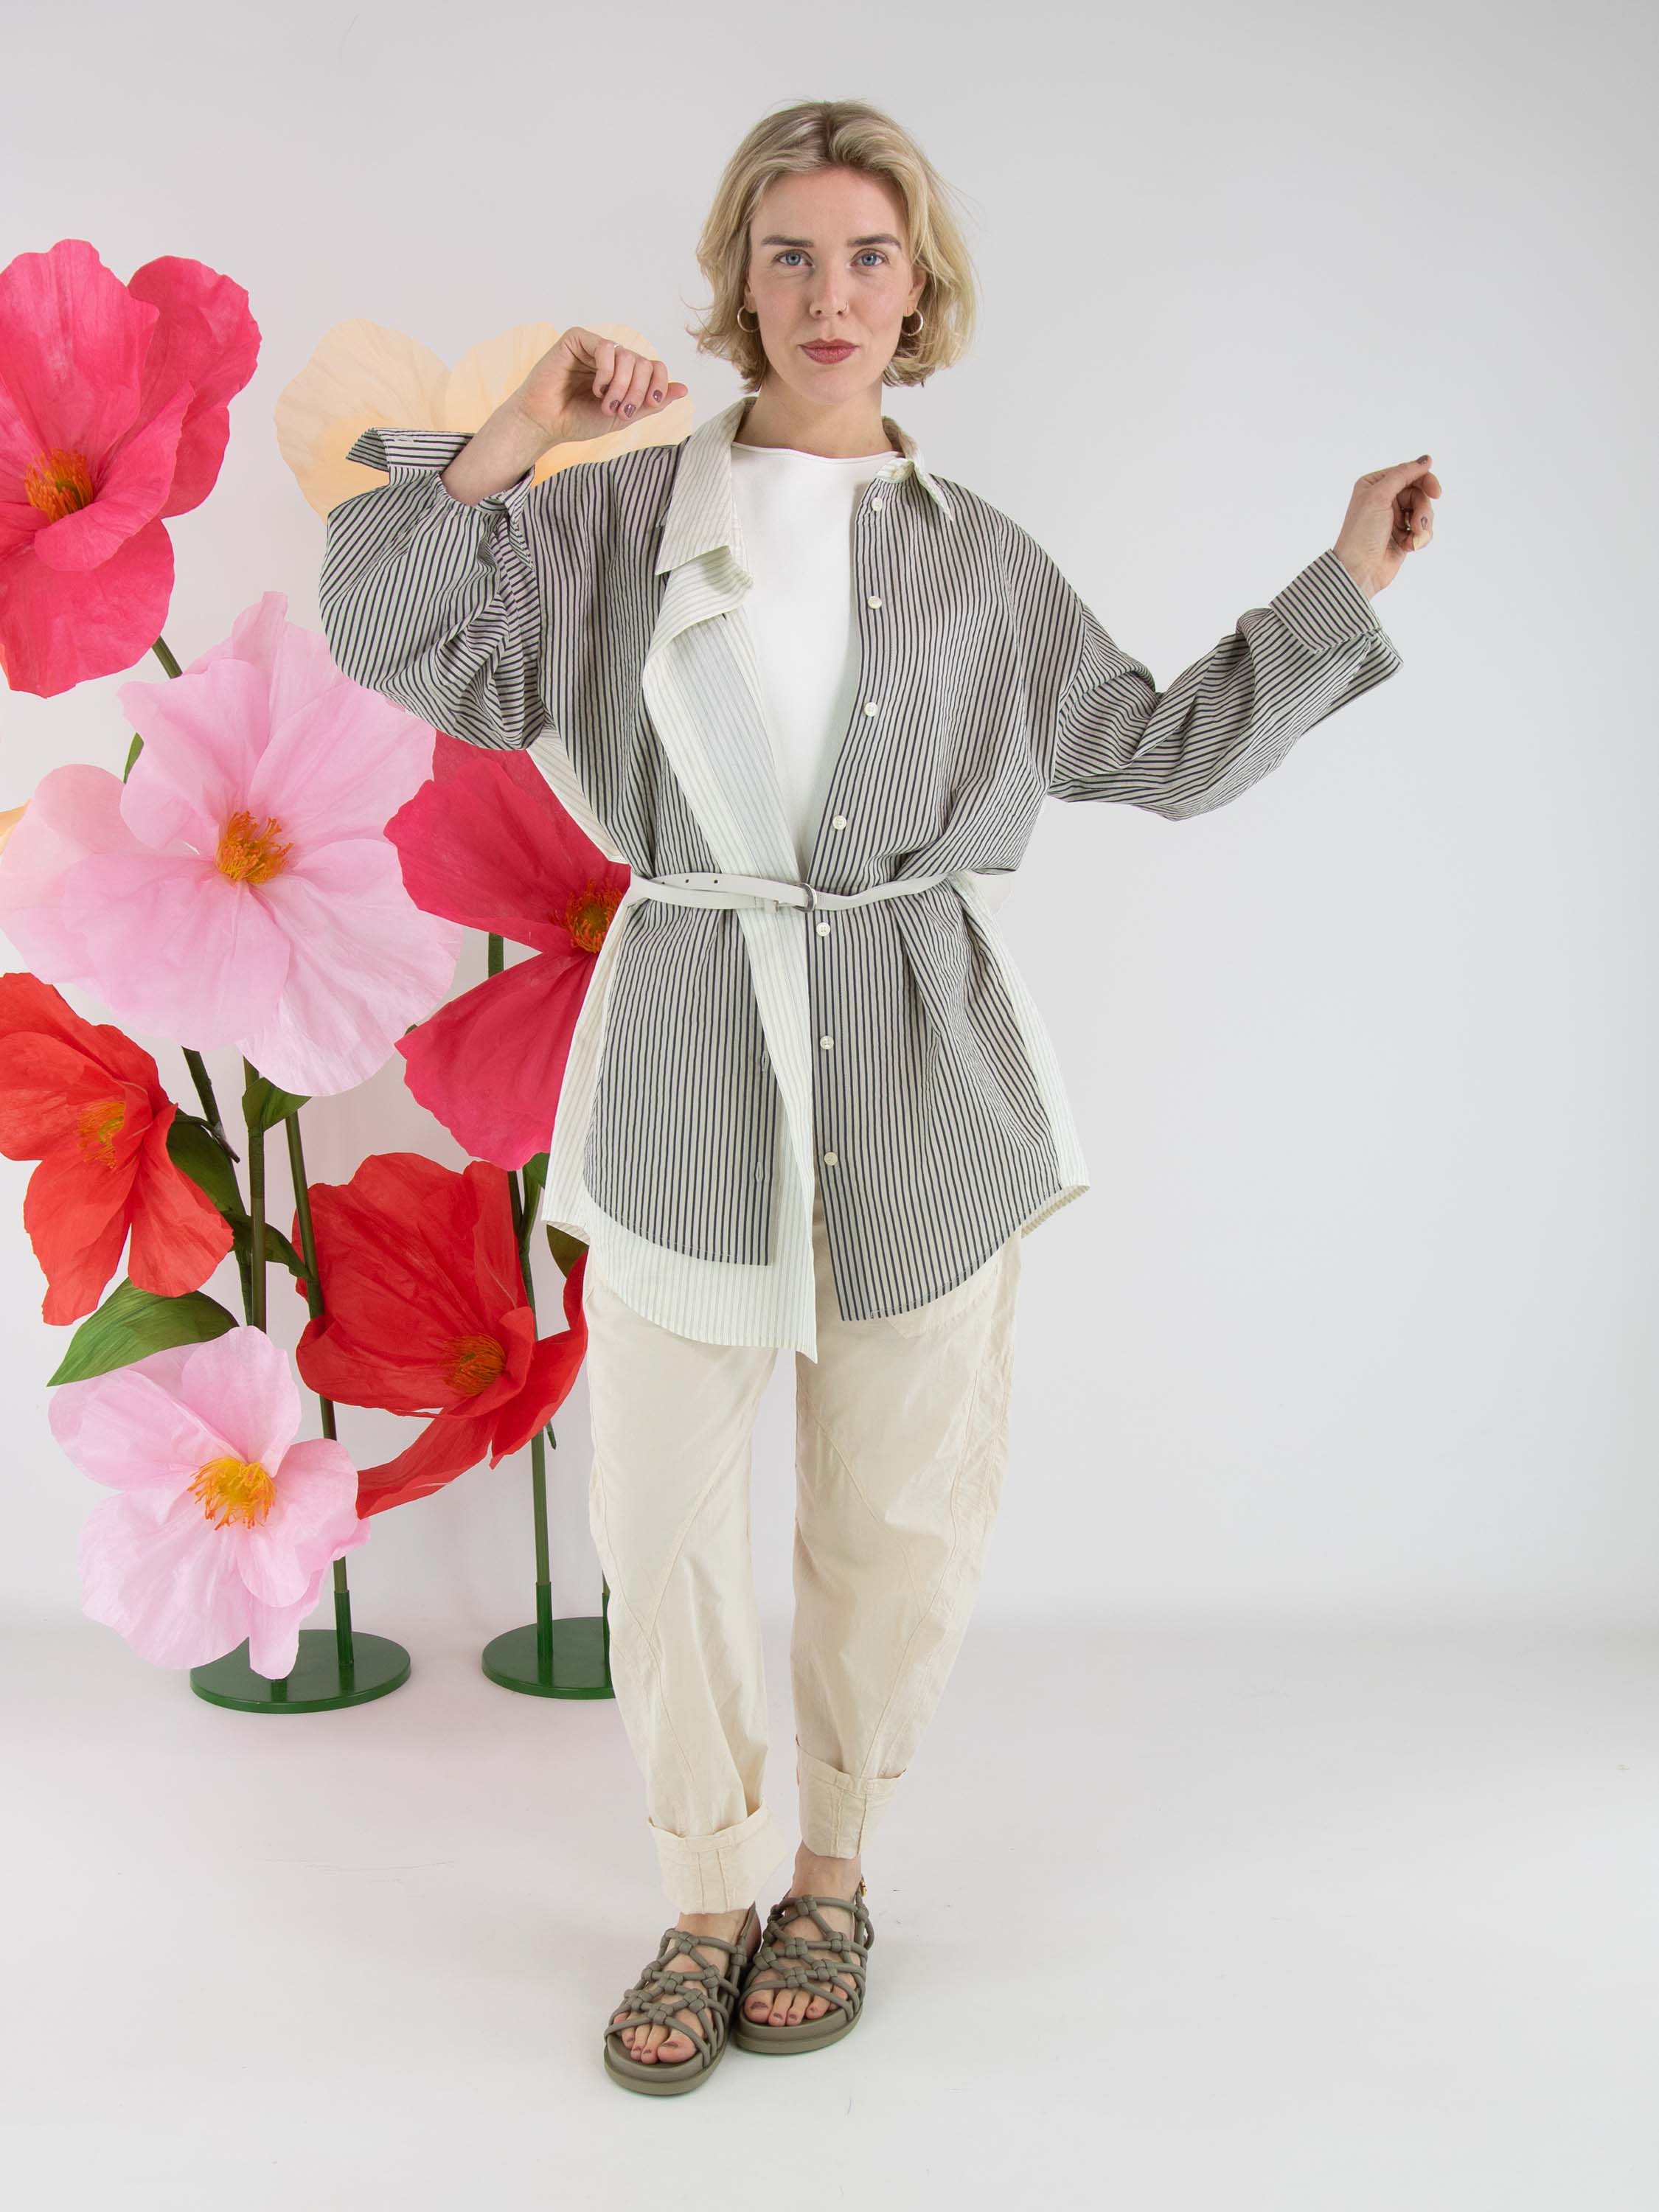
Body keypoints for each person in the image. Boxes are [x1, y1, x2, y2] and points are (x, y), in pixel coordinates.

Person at [319, 97, 1436, 2097]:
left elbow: (1163, 751)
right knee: (660, 1510)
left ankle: (829, 1879)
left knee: (893, 1512)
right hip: (684, 1052)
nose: (827, 293)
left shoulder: (981, 565)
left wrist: (1340, 577)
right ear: (737, 283)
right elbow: (392, 627)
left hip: (922, 1071)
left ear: (919, 291)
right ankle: (702, 1895)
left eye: (865, 255)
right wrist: (517, 428)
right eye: (788, 255)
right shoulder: (607, 519)